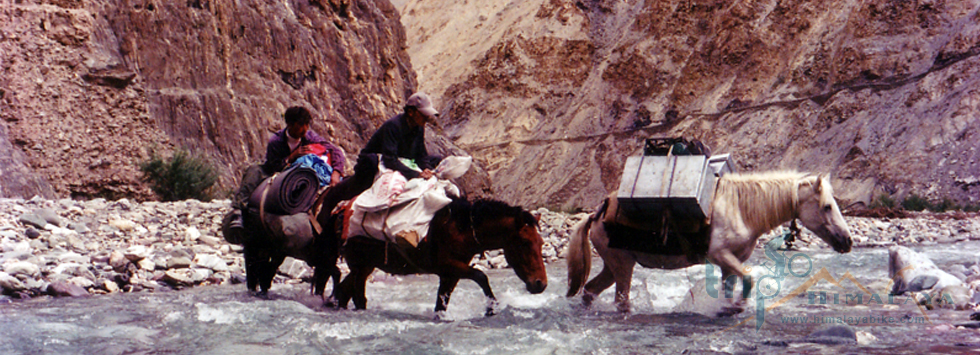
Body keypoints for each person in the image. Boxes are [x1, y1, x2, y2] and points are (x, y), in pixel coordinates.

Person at [224, 106, 346, 241]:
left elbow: (335, 151)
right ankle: (238, 212)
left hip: (301, 172)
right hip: (275, 171)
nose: (305, 129)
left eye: (307, 125)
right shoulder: (276, 141)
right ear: (290, 125)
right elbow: (273, 165)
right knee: (253, 171)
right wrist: (291, 157)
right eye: (301, 125)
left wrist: (336, 172)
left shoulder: (310, 137)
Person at [318, 92, 443, 216]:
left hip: (402, 162)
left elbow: (421, 154)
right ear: (411, 112)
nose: (426, 118)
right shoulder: (393, 126)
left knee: (436, 160)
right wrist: (417, 174)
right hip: (374, 164)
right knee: (368, 168)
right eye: (423, 115)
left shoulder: (419, 127)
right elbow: (390, 160)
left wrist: (427, 168)